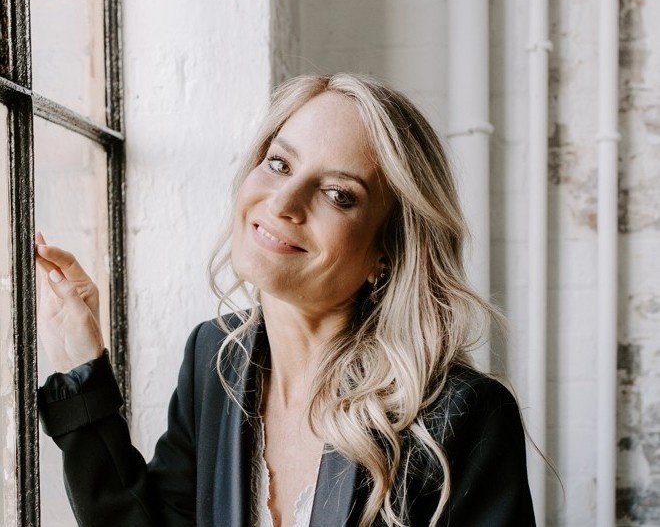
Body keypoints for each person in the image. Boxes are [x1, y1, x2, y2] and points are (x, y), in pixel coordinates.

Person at [36, 73, 535, 527]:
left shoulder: (461, 414)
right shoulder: (214, 359)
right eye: (279, 164)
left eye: (338, 194)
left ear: (386, 252)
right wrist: (83, 371)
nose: (282, 202)